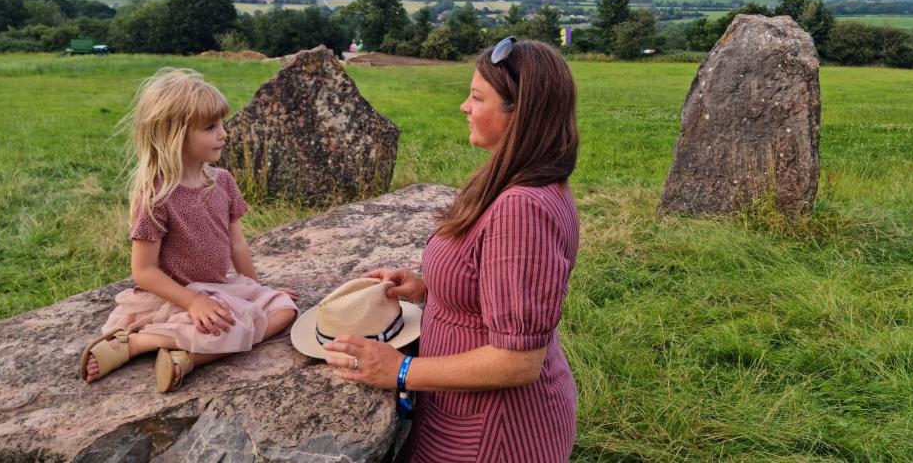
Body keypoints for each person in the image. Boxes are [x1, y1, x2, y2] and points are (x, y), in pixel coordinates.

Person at [324, 37, 580, 462]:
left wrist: (399, 370)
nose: (464, 106)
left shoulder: (522, 208)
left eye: (478, 97)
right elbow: (495, 290)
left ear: (520, 113)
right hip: (462, 412)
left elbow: (518, 361)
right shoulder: (509, 179)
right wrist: (431, 291)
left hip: (496, 433)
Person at [79, 68, 298, 392]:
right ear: (174, 135)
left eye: (221, 124)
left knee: (284, 311)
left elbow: (237, 245)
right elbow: (144, 271)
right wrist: (192, 303)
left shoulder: (223, 181)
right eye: (210, 127)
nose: (223, 134)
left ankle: (188, 358)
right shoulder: (156, 197)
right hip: (173, 297)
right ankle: (138, 342)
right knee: (228, 326)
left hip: (218, 288)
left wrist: (255, 291)